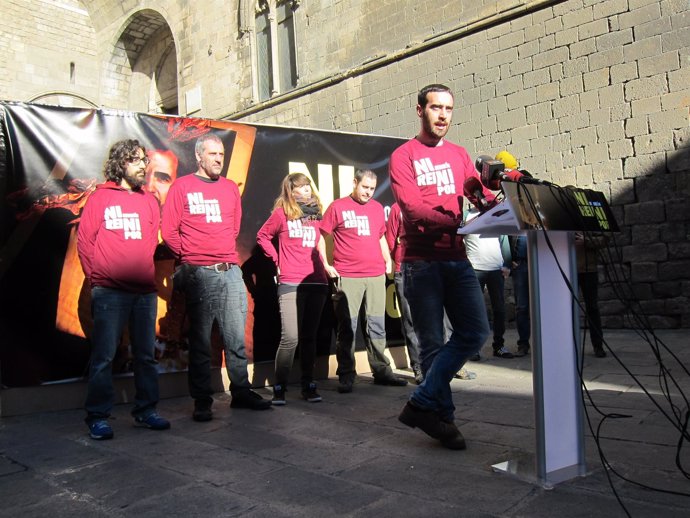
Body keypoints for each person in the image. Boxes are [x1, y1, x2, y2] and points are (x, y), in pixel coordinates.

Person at [389, 84, 495, 450]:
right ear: (420, 110)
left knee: (475, 332)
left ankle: (420, 403)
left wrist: (498, 200)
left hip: (457, 259)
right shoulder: (403, 155)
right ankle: (443, 419)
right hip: (421, 264)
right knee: (432, 345)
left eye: (449, 108)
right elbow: (413, 209)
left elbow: (477, 193)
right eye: (436, 108)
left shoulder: (460, 154)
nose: (443, 115)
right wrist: (457, 223)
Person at [162, 133, 270, 422]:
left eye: (221, 154)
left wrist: (219, 253)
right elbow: (169, 231)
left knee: (235, 338)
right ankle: (202, 400)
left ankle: (241, 392)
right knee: (200, 342)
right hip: (199, 274)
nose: (218, 159)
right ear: (199, 156)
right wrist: (192, 257)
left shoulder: (229, 188)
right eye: (213, 154)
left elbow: (234, 226)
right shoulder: (182, 187)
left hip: (230, 270)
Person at [77, 139, 170, 440]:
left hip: (144, 292)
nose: (143, 164)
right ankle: (98, 416)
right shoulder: (99, 199)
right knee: (104, 356)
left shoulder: (149, 201)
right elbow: (85, 244)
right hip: (109, 292)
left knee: (145, 355)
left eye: (144, 159)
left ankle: (145, 411)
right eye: (135, 159)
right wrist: (98, 281)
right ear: (120, 163)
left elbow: (151, 243)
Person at [320, 169, 408, 393]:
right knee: (347, 328)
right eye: (364, 187)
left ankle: (382, 371)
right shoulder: (337, 207)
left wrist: (387, 259)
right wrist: (326, 264)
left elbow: (380, 236)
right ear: (354, 183)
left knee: (377, 326)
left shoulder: (377, 208)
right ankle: (347, 374)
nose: (368, 192)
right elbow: (321, 236)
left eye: (372, 188)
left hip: (376, 274)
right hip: (348, 276)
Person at [256, 173, 337, 404]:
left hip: (316, 280)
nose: (306, 191)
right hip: (290, 280)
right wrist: (277, 261)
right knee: (290, 337)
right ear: (291, 191)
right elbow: (262, 236)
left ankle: (308, 385)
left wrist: (325, 263)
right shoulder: (282, 213)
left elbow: (319, 240)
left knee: (309, 336)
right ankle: (279, 386)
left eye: (308, 187)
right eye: (301, 188)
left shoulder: (315, 212)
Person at [463, 207, 514, 359]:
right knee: (475, 311)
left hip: (495, 270)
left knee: (499, 309)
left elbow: (503, 239)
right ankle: (475, 348)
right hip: (474, 269)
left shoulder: (496, 213)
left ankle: (499, 346)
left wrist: (507, 263)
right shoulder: (466, 216)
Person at [385, 202, 423, 384]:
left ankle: (436, 363)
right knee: (410, 320)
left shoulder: (428, 203)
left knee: (432, 319)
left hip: (428, 268)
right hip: (404, 270)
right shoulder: (396, 208)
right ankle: (418, 366)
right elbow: (391, 240)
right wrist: (400, 259)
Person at [575, 231, 608, 358]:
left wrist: (587, 240)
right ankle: (567, 345)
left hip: (588, 270)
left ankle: (598, 346)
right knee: (566, 310)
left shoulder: (591, 213)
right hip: (566, 266)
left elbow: (605, 238)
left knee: (592, 308)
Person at [509, 235, 531, 356]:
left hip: (541, 263)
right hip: (520, 265)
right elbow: (505, 237)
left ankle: (547, 342)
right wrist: (509, 260)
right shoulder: (515, 218)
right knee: (522, 306)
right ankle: (523, 344)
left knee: (544, 305)